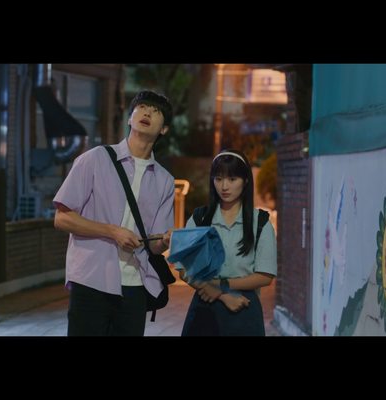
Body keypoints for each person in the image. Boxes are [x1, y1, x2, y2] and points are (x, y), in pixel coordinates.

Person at [53, 90, 175, 336]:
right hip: (92, 279)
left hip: (136, 284)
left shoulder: (165, 180)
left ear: (164, 129)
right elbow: (62, 218)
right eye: (142, 107)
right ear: (130, 118)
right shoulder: (95, 159)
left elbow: (153, 246)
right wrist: (111, 231)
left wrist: (164, 241)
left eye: (156, 111)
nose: (147, 113)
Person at [176, 149, 277, 336]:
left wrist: (221, 285)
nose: (224, 186)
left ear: (245, 181)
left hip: (243, 308)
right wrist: (221, 294)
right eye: (218, 178)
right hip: (204, 308)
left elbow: (265, 276)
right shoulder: (199, 218)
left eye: (232, 179)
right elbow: (184, 269)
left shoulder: (261, 223)